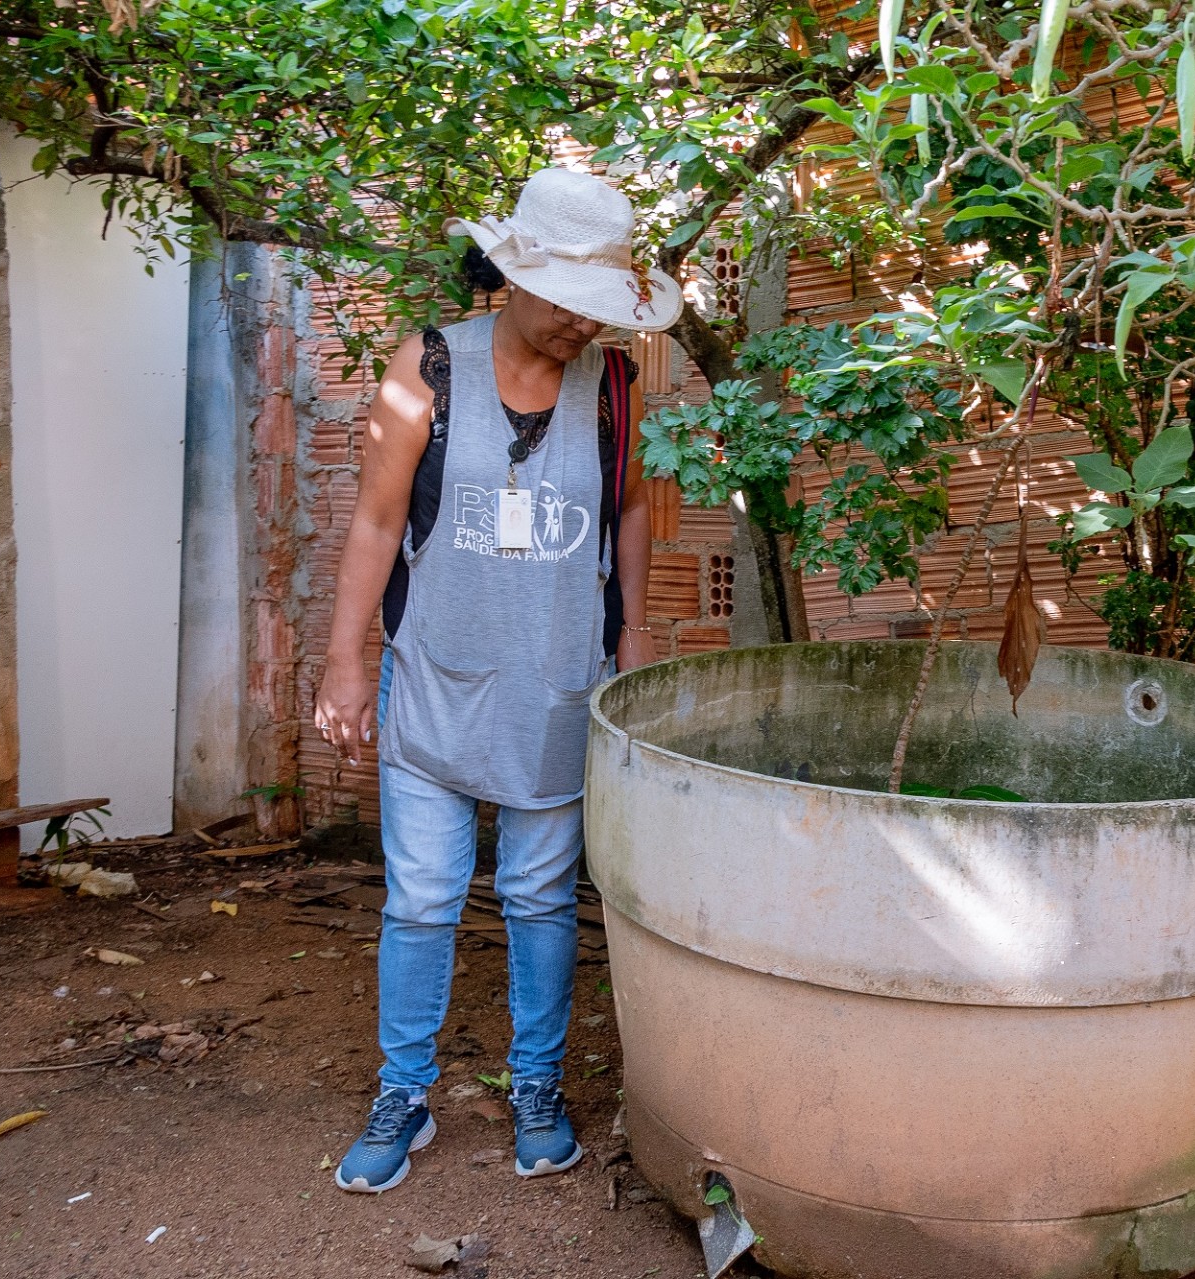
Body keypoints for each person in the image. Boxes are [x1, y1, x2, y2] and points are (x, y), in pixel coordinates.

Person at [313, 167, 682, 1194]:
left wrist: (639, 630)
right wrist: (345, 661)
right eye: (563, 298)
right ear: (512, 275)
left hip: (557, 680)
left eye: (595, 306)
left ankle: (535, 1084)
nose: (576, 324)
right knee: (424, 898)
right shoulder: (429, 364)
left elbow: (635, 511)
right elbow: (379, 522)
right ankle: (404, 1091)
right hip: (434, 677)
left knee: (539, 897)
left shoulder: (613, 385)